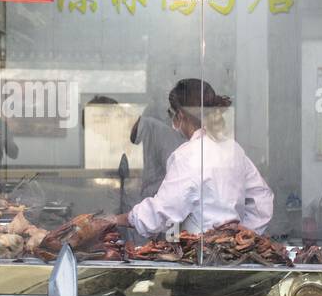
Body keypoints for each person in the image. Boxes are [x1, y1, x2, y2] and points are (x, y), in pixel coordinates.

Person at [116, 78, 274, 236]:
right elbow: (262, 199)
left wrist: (118, 220)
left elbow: (162, 212)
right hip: (231, 254)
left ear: (180, 116)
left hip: (199, 252)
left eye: (171, 114)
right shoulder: (233, 149)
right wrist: (244, 235)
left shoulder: (188, 155)